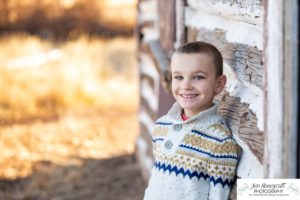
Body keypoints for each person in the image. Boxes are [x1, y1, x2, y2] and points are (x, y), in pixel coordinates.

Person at [143, 41, 240, 200]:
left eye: (198, 77)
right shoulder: (162, 125)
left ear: (219, 84)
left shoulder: (220, 142)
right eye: (179, 77)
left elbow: (218, 196)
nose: (186, 85)